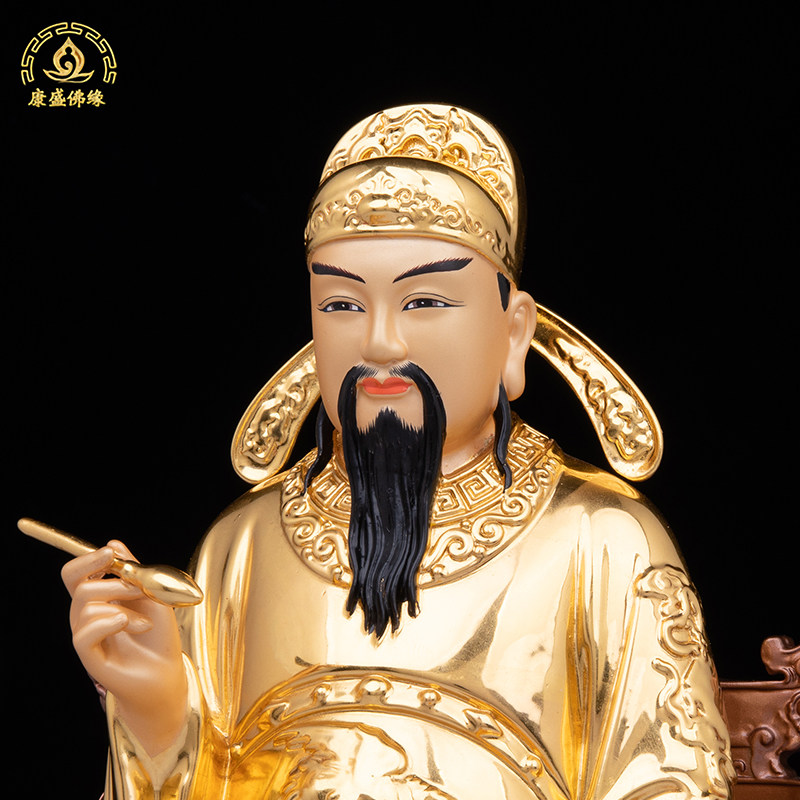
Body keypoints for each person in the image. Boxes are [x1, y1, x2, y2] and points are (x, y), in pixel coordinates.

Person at [62, 104, 733, 799]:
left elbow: (677, 782)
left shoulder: (603, 540)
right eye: (342, 305)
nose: (380, 342)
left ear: (513, 332)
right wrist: (156, 716)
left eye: (425, 301)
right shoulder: (242, 545)